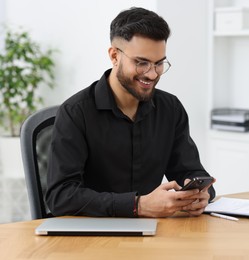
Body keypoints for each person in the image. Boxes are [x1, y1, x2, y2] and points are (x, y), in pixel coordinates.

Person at [46, 7, 216, 218]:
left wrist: (199, 193)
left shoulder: (170, 109)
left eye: (159, 63)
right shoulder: (75, 113)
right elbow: (60, 197)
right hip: (90, 236)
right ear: (114, 56)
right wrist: (138, 205)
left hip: (153, 233)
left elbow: (189, 172)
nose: (152, 74)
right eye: (141, 62)